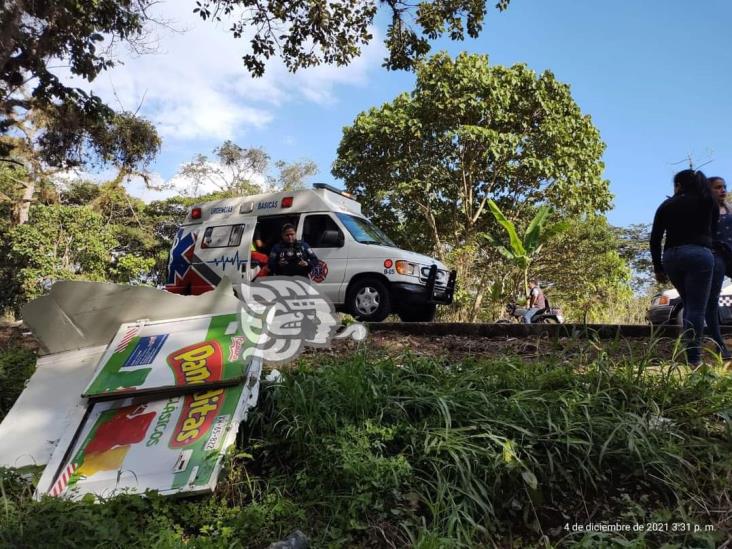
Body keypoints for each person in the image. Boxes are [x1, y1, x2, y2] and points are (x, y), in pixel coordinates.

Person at [650, 169, 718, 366]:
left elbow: (655, 239)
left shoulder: (667, 204)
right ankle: (693, 359)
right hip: (699, 255)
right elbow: (712, 232)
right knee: (696, 308)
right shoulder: (708, 201)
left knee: (688, 304)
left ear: (678, 186)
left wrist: (658, 268)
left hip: (672, 257)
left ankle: (688, 352)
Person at [707, 176, 732, 358]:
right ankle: (718, 343)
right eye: (717, 187)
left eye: (724, 187)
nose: (722, 190)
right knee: (712, 298)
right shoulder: (705, 210)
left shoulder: (729, 209)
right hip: (716, 256)